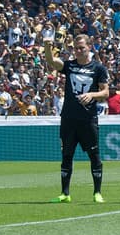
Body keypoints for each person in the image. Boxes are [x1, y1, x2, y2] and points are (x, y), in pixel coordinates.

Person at [45, 32, 109, 203]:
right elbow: (52, 62)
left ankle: (97, 192)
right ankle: (65, 193)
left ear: (89, 47)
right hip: (68, 119)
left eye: (81, 48)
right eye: (75, 48)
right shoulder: (69, 65)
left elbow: (106, 92)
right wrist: (47, 46)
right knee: (66, 155)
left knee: (94, 156)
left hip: (88, 120)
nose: (78, 51)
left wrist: (92, 95)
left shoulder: (98, 68)